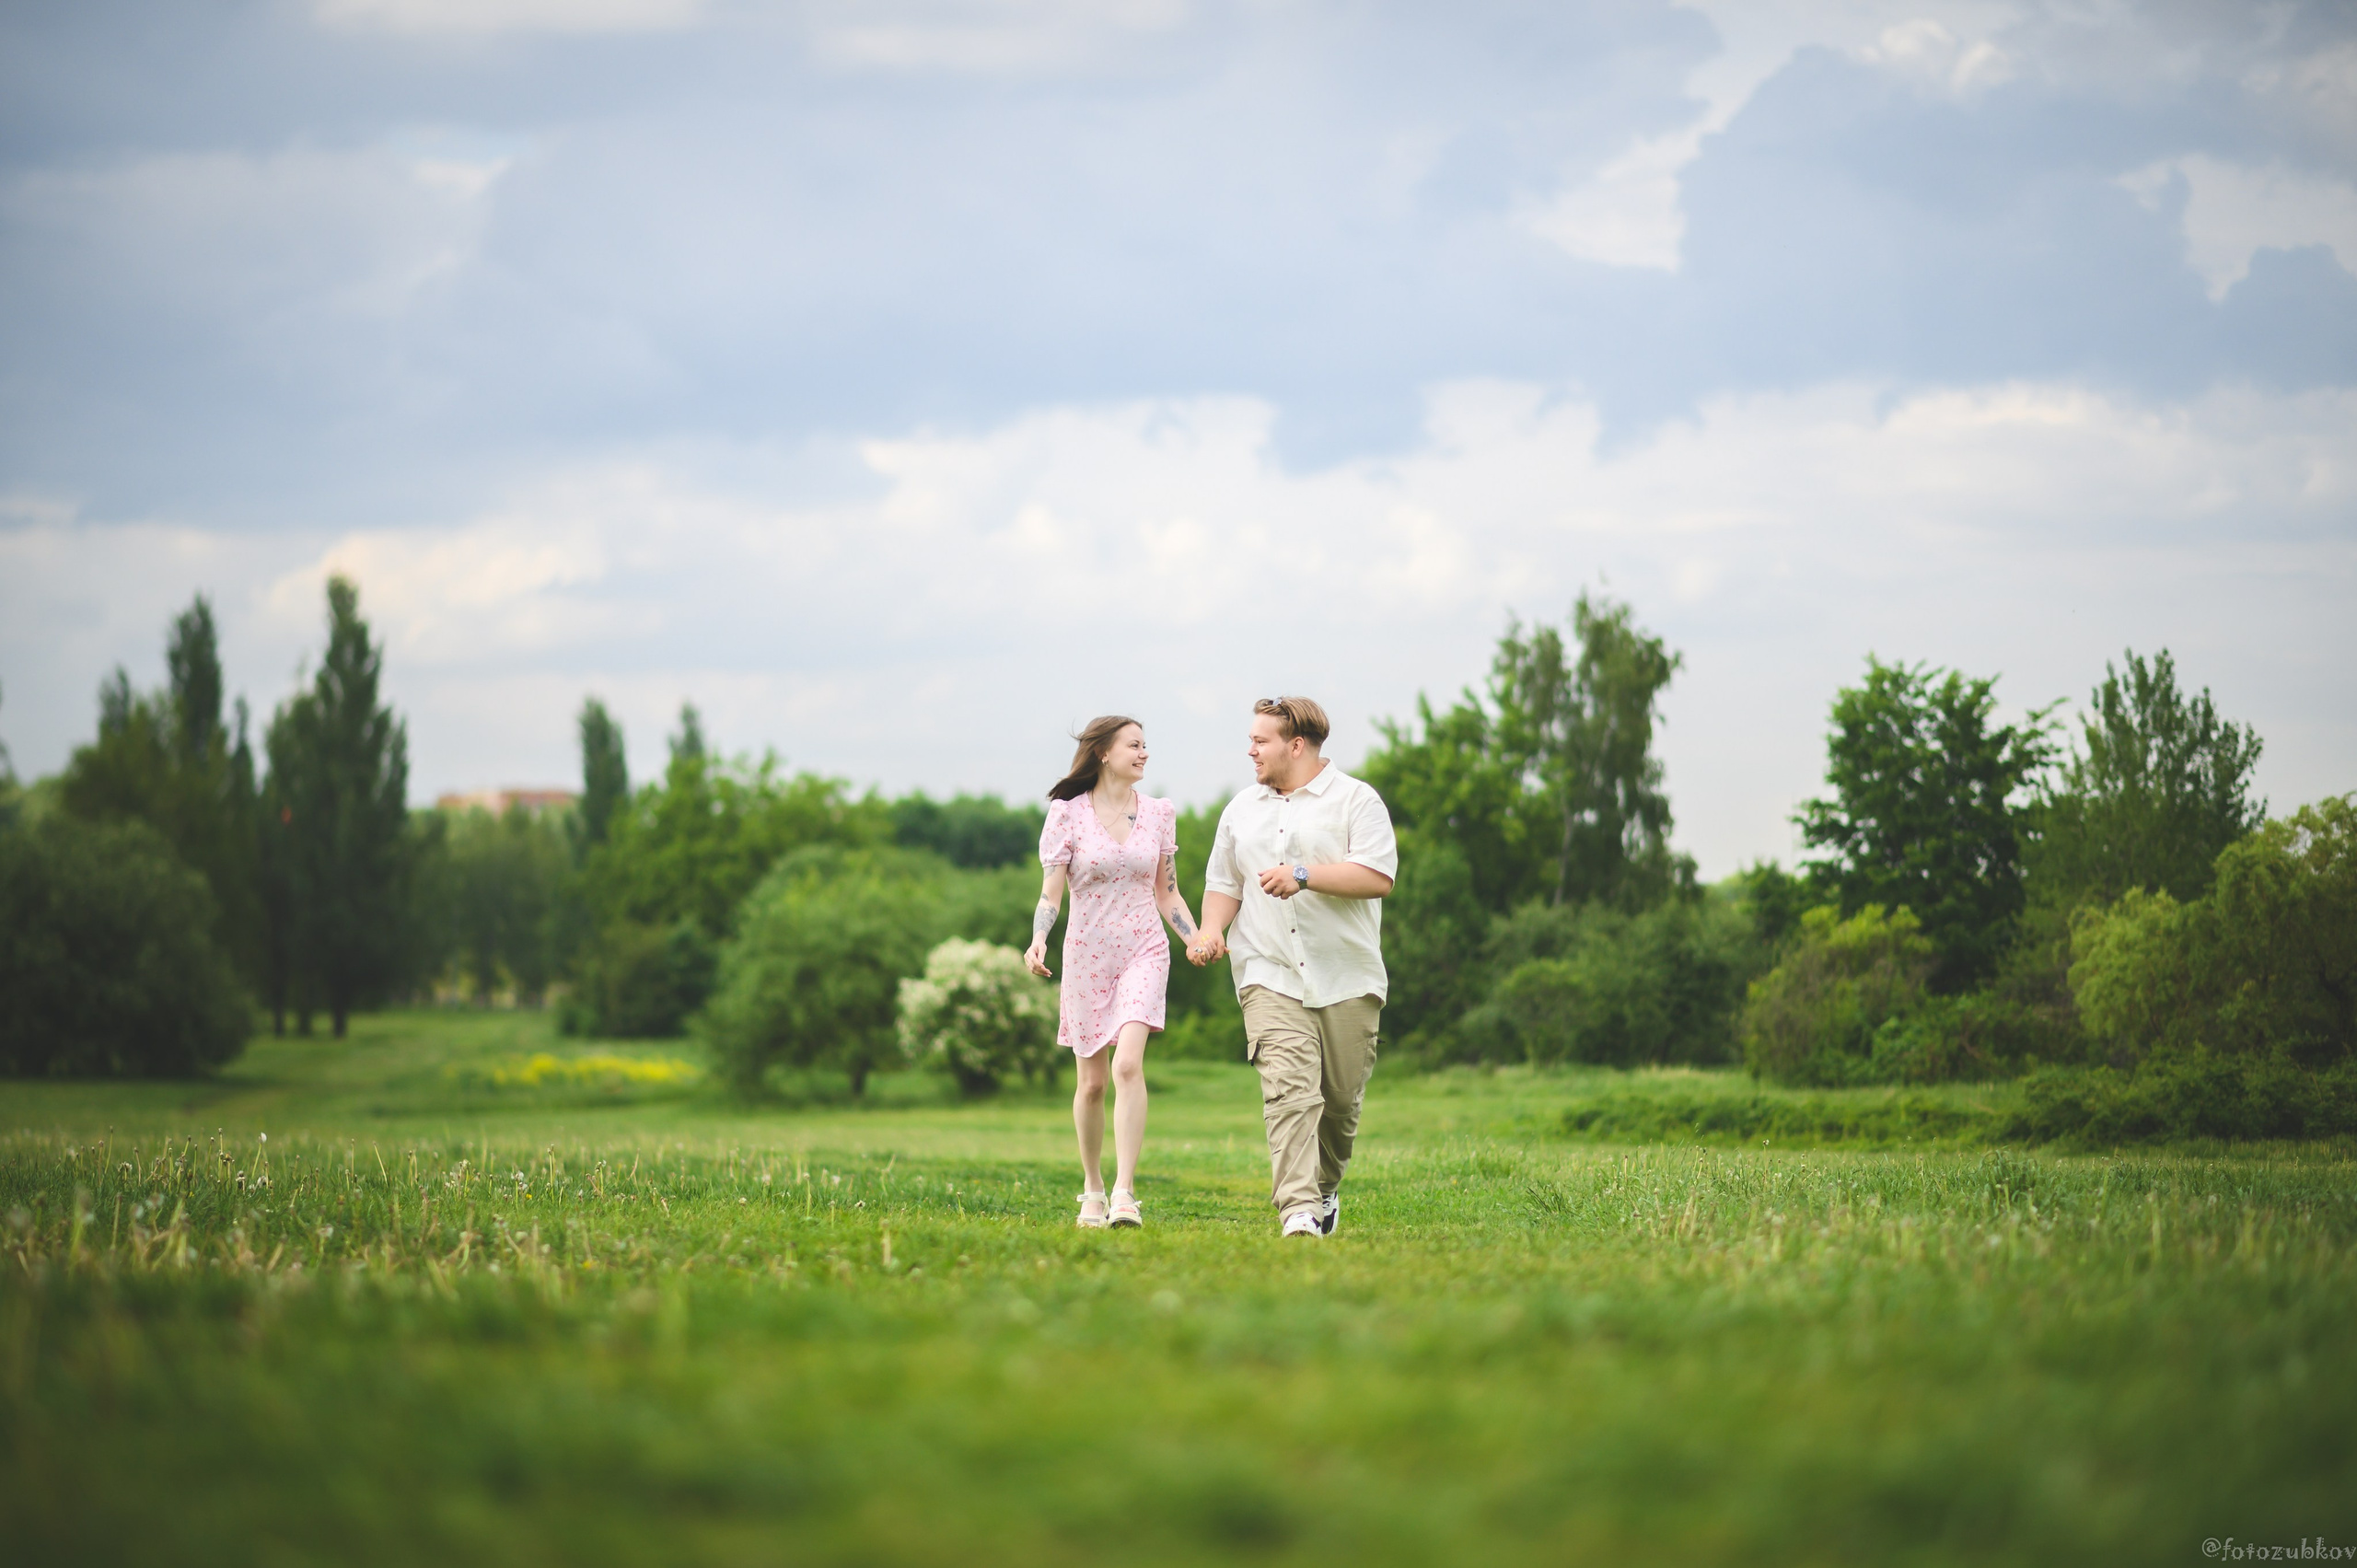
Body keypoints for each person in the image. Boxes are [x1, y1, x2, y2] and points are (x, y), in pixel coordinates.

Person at [1188, 697, 1397, 1238]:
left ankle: (1324, 1192)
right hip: (1268, 970)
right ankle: (1298, 1209)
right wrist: (1212, 931)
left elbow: (1377, 877)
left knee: (1340, 1103)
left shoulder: (1357, 800)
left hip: (1346, 974)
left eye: (1262, 740)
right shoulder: (1240, 809)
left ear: (1296, 745)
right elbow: (1223, 884)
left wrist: (1303, 874)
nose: (1250, 749)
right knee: (1290, 1089)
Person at [1026, 715, 1201, 1230]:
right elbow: (1049, 893)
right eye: (1135, 745)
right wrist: (1038, 939)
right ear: (1104, 752)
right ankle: (1094, 1191)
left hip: (1145, 950)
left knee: (1127, 1066)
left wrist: (1195, 939)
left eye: (1147, 745)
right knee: (1093, 1083)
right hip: (1086, 956)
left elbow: (1167, 892)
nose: (1145, 754)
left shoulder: (1160, 814)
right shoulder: (1066, 816)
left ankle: (1125, 1192)